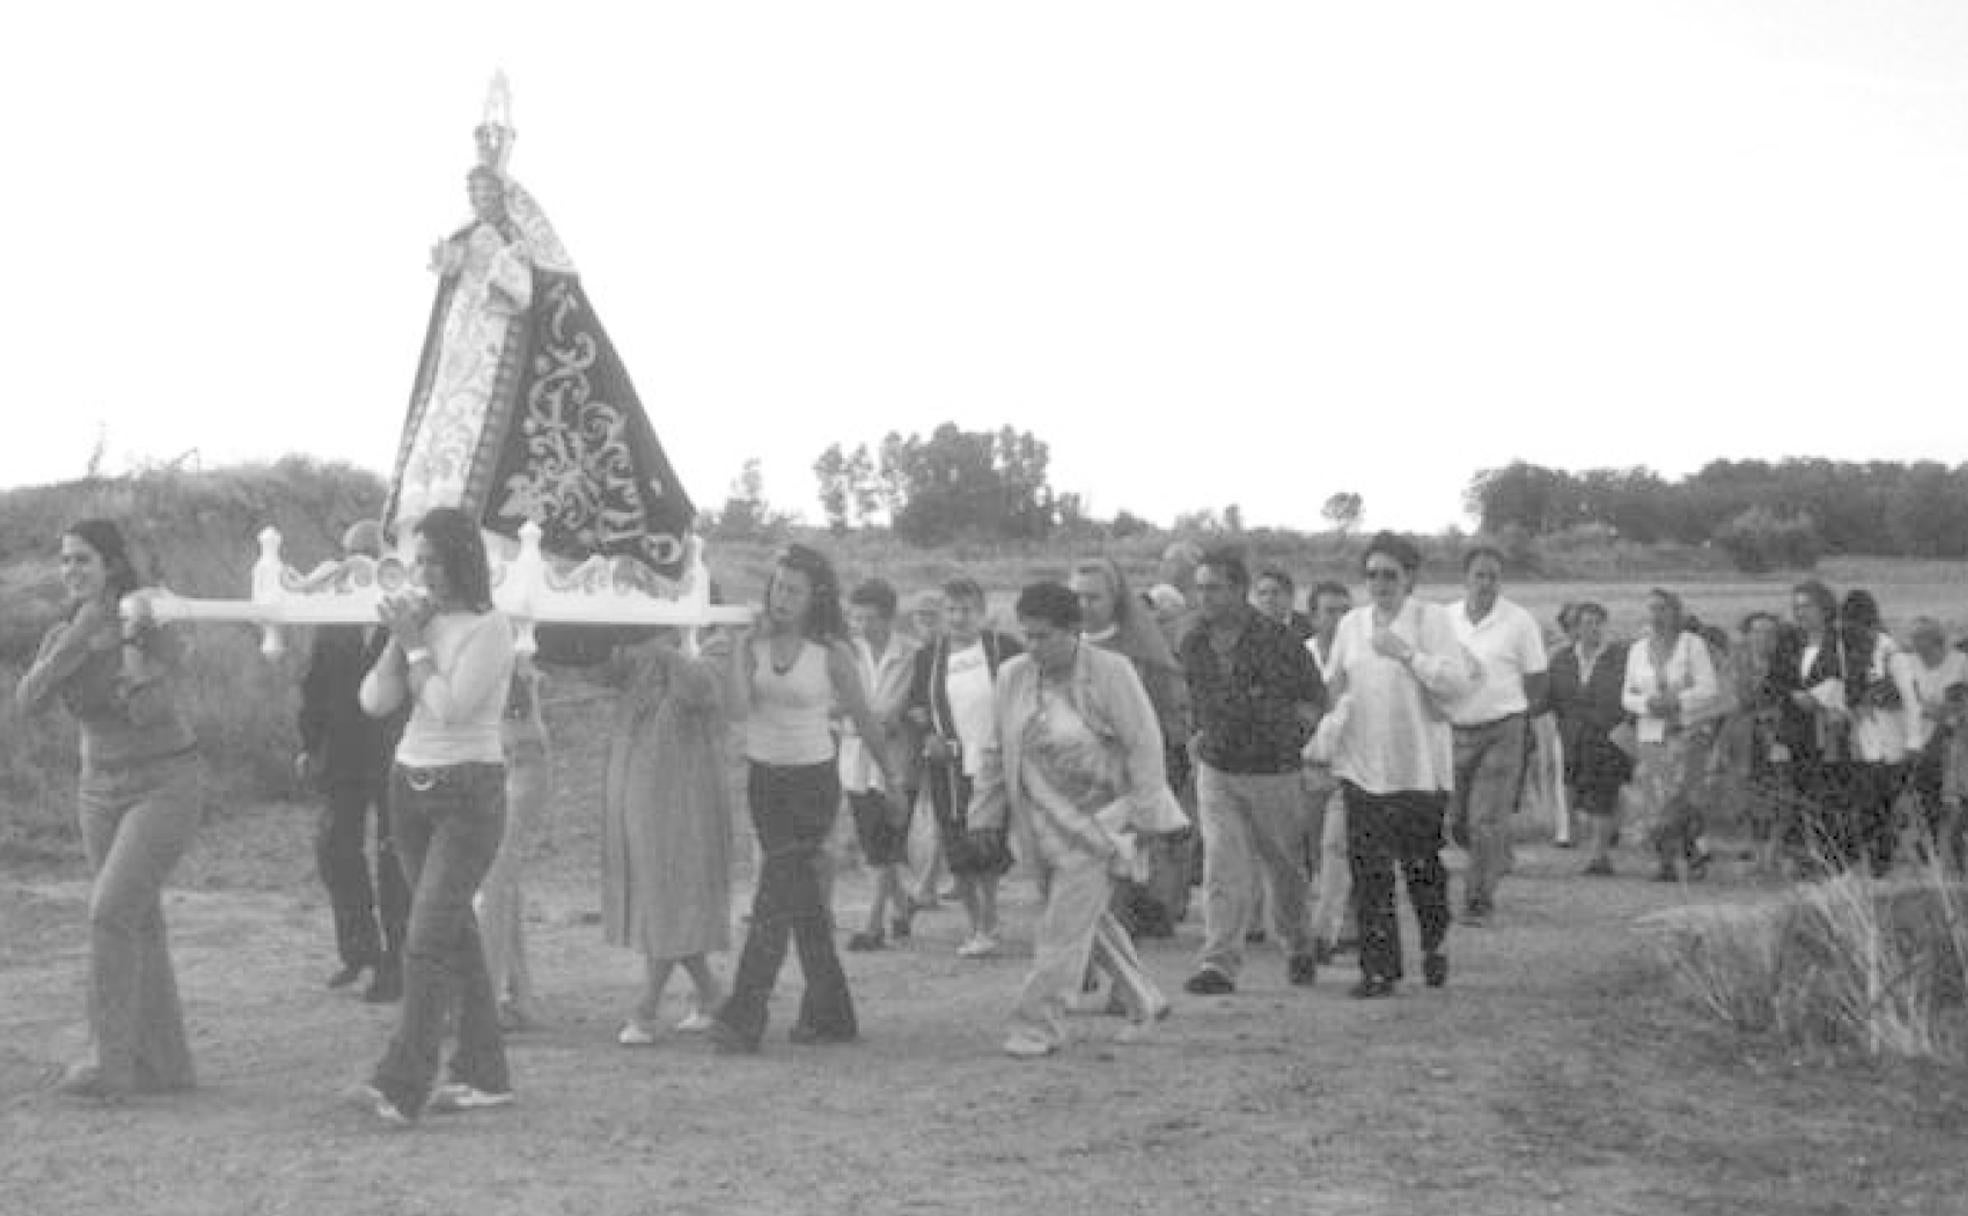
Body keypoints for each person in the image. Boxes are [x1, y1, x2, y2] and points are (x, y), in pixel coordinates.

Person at [382, 77, 695, 578]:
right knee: (440, 453)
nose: (478, 197)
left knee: (485, 467)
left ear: (503, 194)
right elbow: (450, 290)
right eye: (473, 190)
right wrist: (451, 263)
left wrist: (501, 271)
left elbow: (533, 292)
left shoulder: (523, 236)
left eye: (486, 189)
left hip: (501, 357)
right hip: (458, 359)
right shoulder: (466, 233)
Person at [19, 520, 201, 1100]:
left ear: (113, 566)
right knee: (137, 919)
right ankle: (166, 1066)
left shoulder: (149, 626)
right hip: (97, 788)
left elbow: (152, 711)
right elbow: (29, 701)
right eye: (66, 559)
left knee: (110, 912)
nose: (71, 570)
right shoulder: (65, 631)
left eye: (84, 560)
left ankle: (109, 1061)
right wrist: (81, 639)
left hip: (165, 781)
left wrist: (125, 642)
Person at [968, 583, 1187, 1058]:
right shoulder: (1011, 676)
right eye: (1026, 636)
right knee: (1083, 921)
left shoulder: (1113, 672)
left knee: (1061, 930)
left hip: (1106, 823)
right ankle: (1145, 998)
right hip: (1040, 823)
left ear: (1074, 632)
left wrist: (1149, 818)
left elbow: (1144, 744)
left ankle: (1037, 1025)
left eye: (1043, 637)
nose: (1032, 647)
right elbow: (993, 748)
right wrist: (983, 812)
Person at [353, 507, 518, 1126]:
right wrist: (402, 641)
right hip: (410, 787)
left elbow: (450, 707)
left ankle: (401, 1081)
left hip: (470, 794)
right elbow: (373, 702)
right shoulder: (419, 624)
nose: (421, 574)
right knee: (455, 936)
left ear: (460, 561)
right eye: (415, 561)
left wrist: (417, 645)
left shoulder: (489, 628)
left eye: (431, 561)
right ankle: (485, 1073)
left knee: (424, 942)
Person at [710, 545, 897, 1053]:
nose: (781, 597)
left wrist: (893, 780)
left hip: (812, 782)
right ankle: (830, 1014)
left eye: (793, 589)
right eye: (777, 586)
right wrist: (738, 647)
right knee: (802, 902)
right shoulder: (756, 646)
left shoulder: (832, 653)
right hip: (764, 781)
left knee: (774, 895)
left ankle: (744, 1015)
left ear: (815, 596)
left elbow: (864, 721)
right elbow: (735, 710)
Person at [1315, 532, 1477, 999]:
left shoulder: (1431, 621)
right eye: (1372, 575)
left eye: (1390, 575)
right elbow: (1336, 685)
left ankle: (1434, 942)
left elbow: (1457, 685)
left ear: (1409, 578)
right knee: (1369, 872)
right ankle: (1379, 969)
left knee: (1422, 867)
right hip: (1362, 767)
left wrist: (1407, 654)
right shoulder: (1351, 625)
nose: (1380, 584)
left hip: (1418, 770)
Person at [1178, 547, 1325, 996]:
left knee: (1285, 871)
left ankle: (1299, 943)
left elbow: (1314, 701)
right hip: (1218, 767)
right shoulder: (1193, 641)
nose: (1204, 597)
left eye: (1214, 588)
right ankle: (1219, 962)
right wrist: (1199, 732)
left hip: (1273, 770)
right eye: (1199, 588)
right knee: (1222, 864)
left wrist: (1289, 736)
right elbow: (1194, 695)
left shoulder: (1279, 642)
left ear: (1239, 590)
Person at [296, 520, 410, 1003]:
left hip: (392, 752)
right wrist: (307, 743)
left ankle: (397, 964)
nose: (356, 563)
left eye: (366, 552)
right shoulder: (333, 614)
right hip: (341, 751)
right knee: (335, 850)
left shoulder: (405, 611)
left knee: (394, 860)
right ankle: (358, 948)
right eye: (349, 554)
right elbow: (314, 685)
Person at [604, 628, 731, 1045]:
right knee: (659, 896)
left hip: (686, 795)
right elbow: (603, 671)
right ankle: (711, 994)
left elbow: (702, 690)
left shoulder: (713, 646)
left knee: (667, 895)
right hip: (641, 793)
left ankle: (646, 1007)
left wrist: (663, 649)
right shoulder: (638, 660)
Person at [1072, 557, 1192, 937]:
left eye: (1094, 597)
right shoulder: (1060, 646)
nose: (1084, 606)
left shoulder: (1138, 649)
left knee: (1119, 869)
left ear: (1115, 599)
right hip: (1074, 777)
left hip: (1126, 776)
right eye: (1077, 596)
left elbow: (1161, 714)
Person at [906, 578, 1024, 957]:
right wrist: (927, 733)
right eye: (951, 610)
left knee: (988, 843)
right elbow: (915, 706)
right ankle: (975, 925)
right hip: (949, 766)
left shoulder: (1003, 648)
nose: (958, 618)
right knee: (956, 844)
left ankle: (990, 919)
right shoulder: (929, 656)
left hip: (994, 762)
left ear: (982, 612)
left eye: (966, 610)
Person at [1444, 547, 1548, 924]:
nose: (1486, 583)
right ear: (1465, 578)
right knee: (1456, 820)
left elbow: (1537, 679)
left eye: (1493, 576)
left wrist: (1517, 716)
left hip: (1502, 729)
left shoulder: (1519, 621)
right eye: (1479, 575)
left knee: (1485, 818)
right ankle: (1494, 856)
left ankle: (1478, 900)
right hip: (1454, 730)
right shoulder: (1445, 619)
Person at [841, 579, 922, 951]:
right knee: (873, 841)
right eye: (856, 618)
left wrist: (888, 717)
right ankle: (902, 908)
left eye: (870, 619)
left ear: (890, 619)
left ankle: (873, 925)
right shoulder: (846, 654)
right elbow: (836, 704)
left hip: (897, 762)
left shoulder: (913, 655)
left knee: (885, 843)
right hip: (856, 761)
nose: (861, 626)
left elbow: (910, 707)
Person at [1621, 589, 1720, 882]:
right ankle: (1665, 860)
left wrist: (1677, 701)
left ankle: (1693, 851)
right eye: (1651, 608)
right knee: (1653, 797)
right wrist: (1646, 703)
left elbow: (1709, 689)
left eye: (1663, 608)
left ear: (1676, 612)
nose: (1656, 614)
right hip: (1651, 731)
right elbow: (1626, 695)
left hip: (1688, 730)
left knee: (1681, 796)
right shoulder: (1637, 650)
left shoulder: (1693, 645)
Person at [477, 656, 548, 1031]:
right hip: (498, 758)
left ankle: (486, 1000)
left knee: (496, 883)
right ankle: (518, 995)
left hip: (518, 756)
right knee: (501, 885)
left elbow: (513, 700)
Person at [1831, 590, 1917, 877]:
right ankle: (1867, 864)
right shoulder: (1849, 652)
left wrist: (1914, 742)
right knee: (1865, 804)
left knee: (1879, 805)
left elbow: (1909, 697)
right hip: (1862, 740)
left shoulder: (1889, 651)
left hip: (1892, 742)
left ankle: (1876, 865)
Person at [1547, 603, 1632, 875]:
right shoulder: (1562, 659)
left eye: (1597, 623)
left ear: (1605, 626)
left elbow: (1623, 697)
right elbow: (1550, 697)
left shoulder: (1619, 657)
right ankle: (1597, 848)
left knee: (1603, 795)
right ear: (1576, 627)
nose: (1591, 629)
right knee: (1580, 796)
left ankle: (1599, 855)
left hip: (1607, 738)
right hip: (1573, 738)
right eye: (1586, 623)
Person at [1302, 580, 1357, 958]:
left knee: (1337, 848)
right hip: (1302, 766)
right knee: (1307, 852)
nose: (1338, 619)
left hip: (1347, 767)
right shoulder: (1297, 656)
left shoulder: (1361, 658)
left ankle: (1325, 932)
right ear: (1313, 616)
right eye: (1330, 611)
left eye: (1344, 611)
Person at [1774, 580, 1844, 872]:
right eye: (1796, 607)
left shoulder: (1841, 643)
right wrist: (1793, 694)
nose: (1800, 613)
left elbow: (1849, 678)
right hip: (1797, 729)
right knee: (1799, 793)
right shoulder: (1790, 643)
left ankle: (1832, 858)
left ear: (1825, 608)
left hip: (1833, 730)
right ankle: (1803, 857)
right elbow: (1775, 681)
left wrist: (1819, 697)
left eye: (1807, 606)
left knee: (1829, 792)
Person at [1907, 618, 1968, 873]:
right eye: (1913, 640)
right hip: (1920, 742)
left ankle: (1953, 860)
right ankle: (1933, 854)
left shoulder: (1961, 663)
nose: (1915, 645)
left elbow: (1957, 708)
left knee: (1956, 804)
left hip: (1953, 742)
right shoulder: (1909, 664)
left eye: (1920, 639)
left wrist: (1939, 711)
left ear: (1936, 640)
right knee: (1927, 800)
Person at [1252, 566, 1316, 643]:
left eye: (1275, 593)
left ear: (1290, 596)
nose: (1268, 599)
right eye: (1262, 593)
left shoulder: (1310, 628)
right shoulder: (1249, 631)